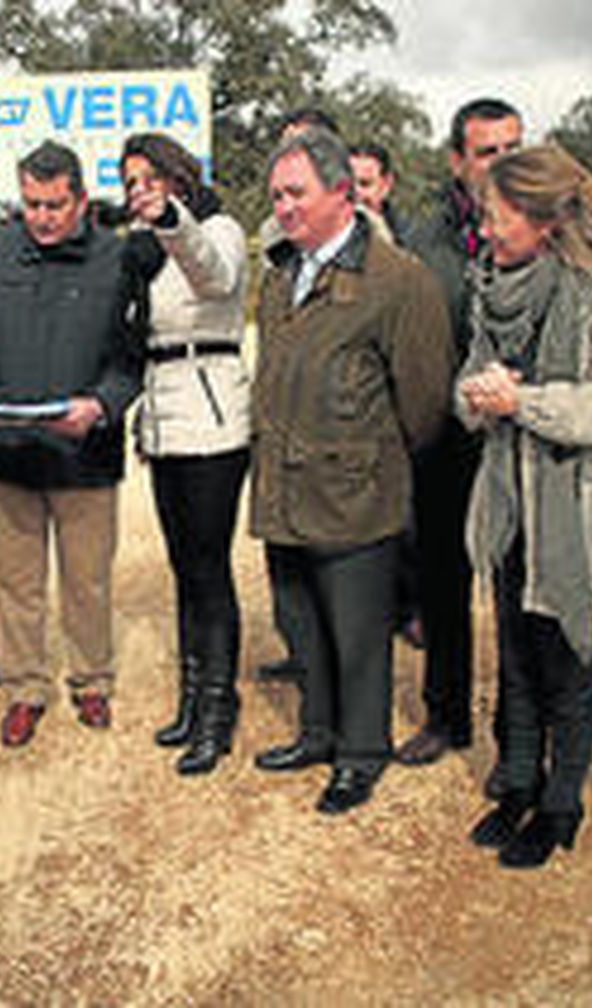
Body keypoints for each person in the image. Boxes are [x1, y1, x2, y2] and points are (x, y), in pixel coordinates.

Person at [459, 146, 592, 868]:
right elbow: (466, 389)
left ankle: (560, 804)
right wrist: (479, 400)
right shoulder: (493, 287)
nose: (485, 229)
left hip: (578, 519)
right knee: (516, 660)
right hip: (512, 510)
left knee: (572, 666)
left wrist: (524, 401)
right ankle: (516, 782)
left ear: (545, 217)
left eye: (495, 213)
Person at [250, 127, 454, 814]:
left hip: (355, 498)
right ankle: (318, 734)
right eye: (277, 194)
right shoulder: (281, 274)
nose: (283, 207)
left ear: (343, 193)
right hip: (286, 489)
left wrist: (367, 462)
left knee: (360, 634)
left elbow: (424, 403)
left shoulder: (398, 281)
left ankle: (360, 754)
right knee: (300, 620)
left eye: (296, 193)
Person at [0, 140, 143, 747]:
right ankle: (26, 688)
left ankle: (91, 680)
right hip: (6, 454)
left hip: (85, 455)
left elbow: (131, 359)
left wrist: (103, 406)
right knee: (15, 585)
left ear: (81, 199)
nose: (43, 216)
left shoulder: (116, 258)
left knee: (88, 581)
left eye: (55, 204)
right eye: (31, 203)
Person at [394, 98, 524, 773]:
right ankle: (447, 715)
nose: (502, 163)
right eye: (487, 152)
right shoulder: (423, 244)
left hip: (518, 440)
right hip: (444, 441)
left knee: (514, 592)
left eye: (513, 148)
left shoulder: (545, 235)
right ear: (456, 161)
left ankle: (517, 733)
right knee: (443, 582)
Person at [118, 132, 250, 775]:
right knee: (183, 567)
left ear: (176, 177)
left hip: (212, 416)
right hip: (164, 414)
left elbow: (214, 274)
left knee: (209, 568)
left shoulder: (217, 227)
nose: (138, 189)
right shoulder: (140, 249)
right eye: (129, 180)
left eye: (148, 177)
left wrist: (171, 220)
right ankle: (193, 701)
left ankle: (220, 711)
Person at [348, 141, 418, 250]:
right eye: (348, 183)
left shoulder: (409, 238)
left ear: (386, 184)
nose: (355, 191)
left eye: (365, 184)